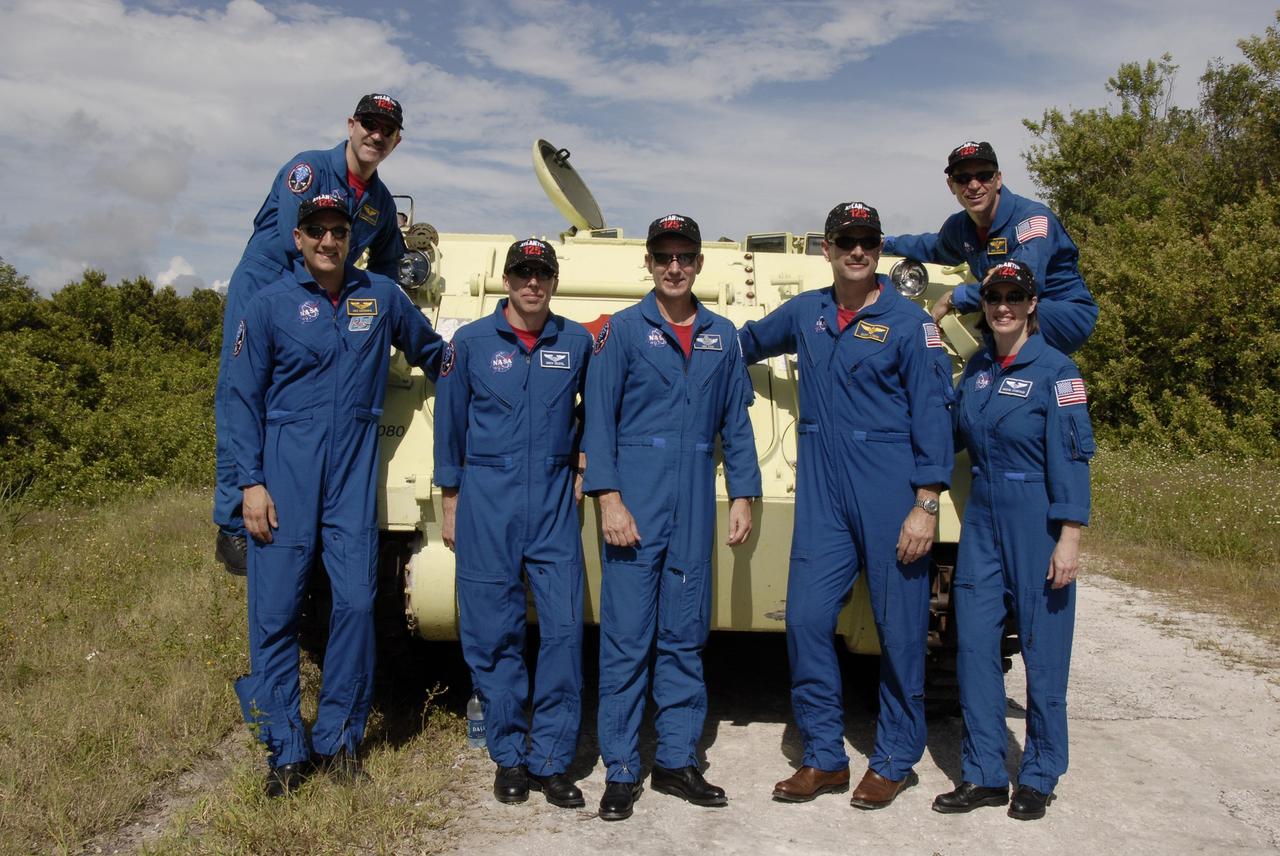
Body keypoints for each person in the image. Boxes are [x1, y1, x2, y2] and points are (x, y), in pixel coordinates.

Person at [738, 202, 954, 810]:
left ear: (878, 248)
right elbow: (741, 344)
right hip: (824, 490)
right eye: (845, 240)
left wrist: (927, 501)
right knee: (805, 620)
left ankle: (893, 759)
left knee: (902, 631)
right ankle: (824, 757)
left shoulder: (909, 323)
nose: (856, 250)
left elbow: (933, 413)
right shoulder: (806, 313)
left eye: (866, 240)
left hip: (889, 486)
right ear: (828, 249)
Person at [226, 194, 443, 797]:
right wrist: (250, 483)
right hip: (284, 468)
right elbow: (240, 399)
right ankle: (285, 751)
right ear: (299, 239)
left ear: (351, 238)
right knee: (274, 616)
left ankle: (339, 741)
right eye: (316, 230)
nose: (328, 240)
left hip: (352, 468)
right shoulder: (269, 305)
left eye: (338, 230)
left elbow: (432, 352)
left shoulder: (380, 297)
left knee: (353, 604)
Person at [582, 214, 761, 821]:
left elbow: (735, 420)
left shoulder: (722, 335)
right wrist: (609, 499)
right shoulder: (623, 333)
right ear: (650, 264)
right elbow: (598, 421)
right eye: (664, 257)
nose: (675, 266)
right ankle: (623, 768)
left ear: (700, 263)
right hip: (635, 494)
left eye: (685, 256)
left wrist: (743, 494)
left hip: (692, 496)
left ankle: (679, 761)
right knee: (627, 642)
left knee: (684, 638)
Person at [214, 93, 408, 575]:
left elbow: (390, 264)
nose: (376, 135)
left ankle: (298, 511)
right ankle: (233, 523)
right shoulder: (309, 170)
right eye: (369, 123)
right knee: (243, 390)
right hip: (269, 282)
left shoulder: (379, 202)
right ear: (351, 124)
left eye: (387, 129)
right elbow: (292, 245)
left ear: (396, 140)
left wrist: (378, 307)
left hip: (322, 294)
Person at [433, 238, 594, 809]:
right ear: (507, 280)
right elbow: (449, 426)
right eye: (523, 273)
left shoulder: (575, 342)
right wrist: (450, 501)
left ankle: (552, 760)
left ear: (553, 280)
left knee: (563, 632)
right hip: (487, 501)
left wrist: (583, 463)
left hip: (552, 505)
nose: (533, 283)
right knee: (493, 635)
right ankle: (509, 755)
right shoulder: (471, 343)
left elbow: (592, 415)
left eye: (542, 273)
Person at [932, 259, 1093, 821]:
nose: (1002, 305)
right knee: (974, 647)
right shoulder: (976, 370)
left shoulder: (1058, 372)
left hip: (1039, 519)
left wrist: (1069, 536)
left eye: (1013, 296)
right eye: (994, 296)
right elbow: (945, 432)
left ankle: (1041, 774)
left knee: (1044, 656)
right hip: (983, 514)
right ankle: (983, 774)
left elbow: (1072, 458)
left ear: (1031, 305)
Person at [882, 140, 1098, 354]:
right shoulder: (960, 227)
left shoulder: (1032, 219)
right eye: (963, 179)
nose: (974, 185)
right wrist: (885, 243)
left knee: (1004, 316)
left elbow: (1023, 282)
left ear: (998, 179)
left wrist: (954, 298)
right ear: (951, 186)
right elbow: (935, 247)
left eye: (984, 176)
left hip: (1063, 311)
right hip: (1013, 305)